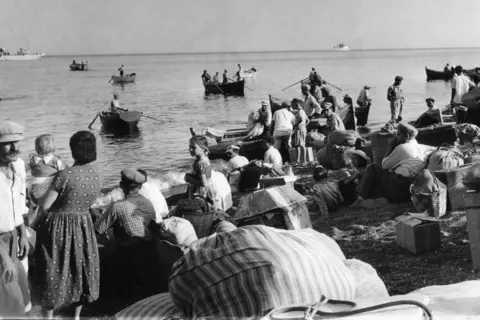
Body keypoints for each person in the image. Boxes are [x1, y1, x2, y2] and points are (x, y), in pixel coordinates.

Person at [35, 131, 102, 319]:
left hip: (58, 225)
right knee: (81, 267)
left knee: (52, 267)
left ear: (74, 151)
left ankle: (48, 316)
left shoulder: (65, 175)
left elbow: (45, 206)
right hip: (83, 223)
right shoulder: (97, 174)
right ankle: (76, 316)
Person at [95, 168, 159, 300]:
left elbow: (98, 230)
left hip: (128, 252)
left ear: (121, 185)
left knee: (101, 243)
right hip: (148, 249)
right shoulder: (148, 203)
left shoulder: (117, 206)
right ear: (140, 186)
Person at [351, 123, 434, 208]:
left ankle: (359, 200)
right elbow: (435, 148)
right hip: (409, 190)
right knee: (371, 183)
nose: (396, 137)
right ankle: (378, 200)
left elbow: (384, 165)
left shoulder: (402, 148)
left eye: (398, 134)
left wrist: (391, 145)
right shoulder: (424, 147)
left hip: (401, 185)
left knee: (373, 168)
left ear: (406, 137)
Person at [0, 120, 31, 316]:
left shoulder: (18, 166)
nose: (15, 148)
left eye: (18, 142)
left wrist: (23, 234)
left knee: (22, 292)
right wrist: (4, 258)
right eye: (8, 143)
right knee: (10, 299)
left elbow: (19, 204)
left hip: (13, 238)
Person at [27, 134, 67, 207]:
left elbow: (23, 170)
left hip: (34, 189)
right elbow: (65, 171)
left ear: (37, 148)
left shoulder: (33, 159)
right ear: (53, 147)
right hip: (49, 189)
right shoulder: (55, 160)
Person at [184, 135, 216, 206]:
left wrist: (190, 179)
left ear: (203, 148)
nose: (190, 149)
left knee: (199, 208)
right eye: (190, 147)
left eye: (194, 147)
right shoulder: (205, 158)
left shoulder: (200, 163)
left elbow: (204, 183)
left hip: (200, 192)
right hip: (209, 188)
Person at [291, 98, 309, 164]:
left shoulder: (300, 111)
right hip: (302, 128)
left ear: (301, 105)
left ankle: (303, 160)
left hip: (299, 129)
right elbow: (307, 121)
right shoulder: (303, 111)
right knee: (298, 145)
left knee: (301, 145)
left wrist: (296, 125)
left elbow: (301, 120)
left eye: (297, 105)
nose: (296, 106)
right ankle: (299, 160)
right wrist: (304, 126)